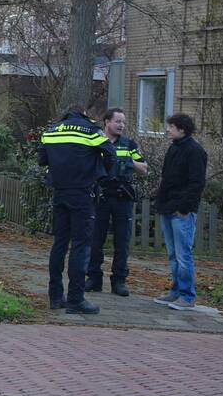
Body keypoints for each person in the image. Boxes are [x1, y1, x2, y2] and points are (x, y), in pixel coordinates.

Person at [38, 104, 115, 314]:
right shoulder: (91, 130)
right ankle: (75, 299)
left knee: (59, 243)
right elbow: (110, 153)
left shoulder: (51, 131)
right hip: (82, 193)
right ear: (84, 114)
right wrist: (98, 172)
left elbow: (42, 160)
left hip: (59, 192)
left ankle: (55, 297)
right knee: (81, 246)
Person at [85, 108, 147, 297]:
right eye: (118, 121)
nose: (121, 125)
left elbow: (144, 169)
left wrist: (129, 162)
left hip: (122, 197)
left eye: (123, 122)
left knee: (122, 241)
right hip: (101, 196)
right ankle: (94, 278)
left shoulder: (129, 144)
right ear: (107, 122)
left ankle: (119, 281)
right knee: (95, 239)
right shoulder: (97, 142)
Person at [152, 113, 207, 310]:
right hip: (168, 208)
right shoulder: (174, 149)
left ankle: (187, 295)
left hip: (181, 211)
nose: (168, 130)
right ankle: (176, 292)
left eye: (172, 127)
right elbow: (166, 178)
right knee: (173, 254)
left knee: (183, 254)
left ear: (182, 129)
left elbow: (196, 183)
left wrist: (184, 208)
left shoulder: (194, 151)